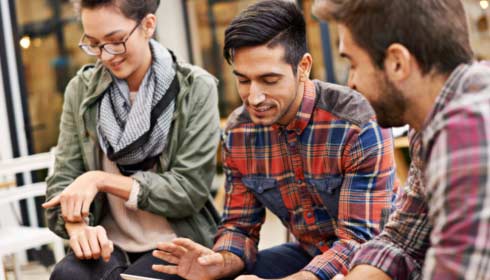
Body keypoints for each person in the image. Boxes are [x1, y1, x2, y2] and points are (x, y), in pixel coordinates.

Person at [150, 1, 397, 279]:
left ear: (303, 66)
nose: (254, 97)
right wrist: (220, 262)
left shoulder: (356, 124)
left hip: (374, 260)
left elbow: (359, 240)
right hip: (307, 253)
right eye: (243, 80)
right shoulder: (240, 131)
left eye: (269, 80)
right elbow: (239, 227)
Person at [42, 0, 220, 279]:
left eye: (115, 41)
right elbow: (63, 181)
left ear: (148, 25)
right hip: (110, 242)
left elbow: (189, 190)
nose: (106, 55)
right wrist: (78, 227)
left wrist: (100, 179)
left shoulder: (195, 88)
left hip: (177, 241)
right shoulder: (80, 90)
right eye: (94, 43)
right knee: (67, 275)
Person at [312, 0, 490, 279]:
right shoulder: (430, 122)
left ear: (397, 62)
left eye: (354, 63)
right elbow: (405, 237)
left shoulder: (470, 128)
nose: (351, 83)